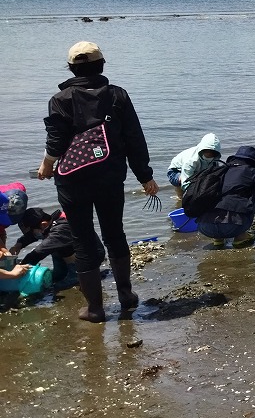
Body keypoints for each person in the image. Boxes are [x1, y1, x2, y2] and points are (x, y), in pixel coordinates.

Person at [36, 41, 158, 323]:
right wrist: (145, 176)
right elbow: (134, 139)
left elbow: (57, 141)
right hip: (110, 176)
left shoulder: (61, 99)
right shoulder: (118, 96)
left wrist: (46, 165)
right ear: (102, 65)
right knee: (115, 234)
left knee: (82, 240)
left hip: (73, 181)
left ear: (70, 68)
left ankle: (95, 309)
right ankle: (126, 296)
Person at [197, 146, 255, 242]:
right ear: (252, 162)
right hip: (232, 227)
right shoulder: (251, 171)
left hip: (204, 226)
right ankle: (240, 237)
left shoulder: (220, 170)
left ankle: (218, 240)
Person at [11, 207, 78, 286]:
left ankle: (75, 276)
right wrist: (18, 245)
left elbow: (39, 252)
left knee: (51, 246)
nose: (33, 234)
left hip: (86, 256)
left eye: (32, 231)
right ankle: (60, 273)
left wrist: (21, 266)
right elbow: (32, 235)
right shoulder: (48, 224)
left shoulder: (59, 230)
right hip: (69, 252)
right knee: (57, 276)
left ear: (43, 224)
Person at [165, 133, 221, 202]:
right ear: (202, 150)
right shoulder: (191, 160)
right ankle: (180, 198)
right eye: (207, 151)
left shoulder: (214, 160)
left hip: (196, 172)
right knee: (184, 188)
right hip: (176, 172)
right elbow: (185, 180)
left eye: (212, 153)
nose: (209, 154)